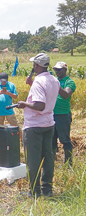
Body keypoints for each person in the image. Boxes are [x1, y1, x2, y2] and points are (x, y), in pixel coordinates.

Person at [18, 53, 60, 198]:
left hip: (34, 126)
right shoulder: (54, 80)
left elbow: (40, 105)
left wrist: (24, 104)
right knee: (48, 156)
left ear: (36, 65)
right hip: (49, 124)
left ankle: (34, 191)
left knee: (33, 159)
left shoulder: (38, 82)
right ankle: (47, 188)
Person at [52, 61, 76, 166]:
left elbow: (65, 95)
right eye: (55, 69)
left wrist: (56, 84)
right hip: (51, 115)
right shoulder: (54, 81)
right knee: (51, 139)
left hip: (63, 115)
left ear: (65, 70)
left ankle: (68, 163)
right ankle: (51, 161)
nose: (57, 71)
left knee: (65, 140)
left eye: (59, 69)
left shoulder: (69, 82)